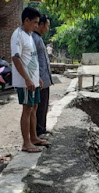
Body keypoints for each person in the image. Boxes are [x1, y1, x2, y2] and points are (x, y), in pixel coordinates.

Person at [11, 7, 50, 153]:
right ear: (26, 20)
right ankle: (26, 143)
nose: (36, 26)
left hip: (33, 80)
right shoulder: (18, 35)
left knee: (34, 108)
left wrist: (37, 77)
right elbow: (16, 58)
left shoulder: (29, 35)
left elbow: (31, 58)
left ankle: (33, 138)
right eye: (34, 23)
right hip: (24, 82)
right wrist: (27, 79)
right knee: (27, 109)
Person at [32, 14, 53, 139]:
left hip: (44, 79)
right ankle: (39, 131)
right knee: (39, 106)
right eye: (47, 25)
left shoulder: (38, 38)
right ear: (41, 25)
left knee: (44, 105)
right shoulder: (34, 38)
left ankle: (42, 128)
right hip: (39, 80)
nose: (47, 28)